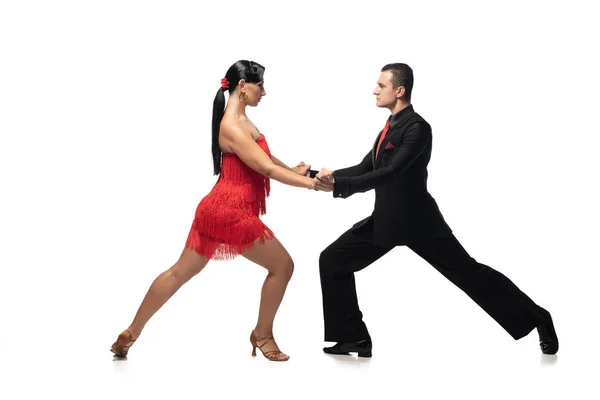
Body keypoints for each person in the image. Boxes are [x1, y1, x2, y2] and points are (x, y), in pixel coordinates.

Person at [313, 63, 559, 357]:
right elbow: (364, 168)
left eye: (381, 85)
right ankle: (354, 338)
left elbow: (391, 172)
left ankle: (539, 317)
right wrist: (316, 176)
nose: (375, 90)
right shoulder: (388, 128)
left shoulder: (417, 128)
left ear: (399, 90)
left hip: (419, 223)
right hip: (387, 221)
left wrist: (339, 186)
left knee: (470, 275)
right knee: (332, 260)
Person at [110, 60, 317, 362]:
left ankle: (131, 332)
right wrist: (308, 185)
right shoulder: (231, 126)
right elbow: (265, 168)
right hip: (230, 211)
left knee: (179, 272)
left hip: (214, 208)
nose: (265, 92)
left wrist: (297, 171)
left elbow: (266, 157)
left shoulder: (240, 120)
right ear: (243, 86)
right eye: (261, 85)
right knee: (283, 267)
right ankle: (262, 334)